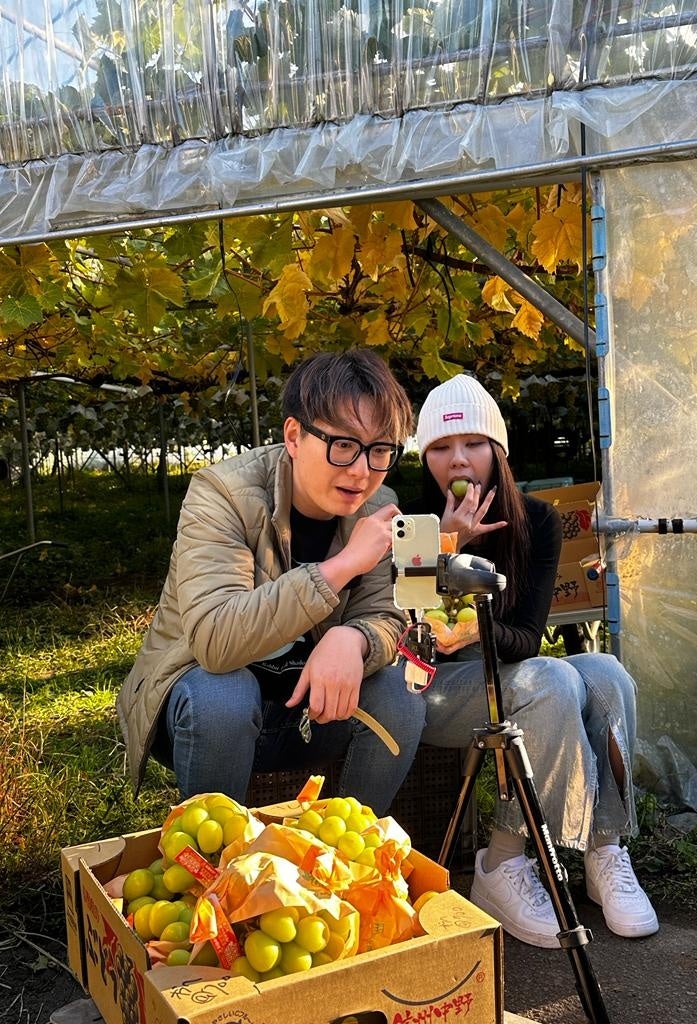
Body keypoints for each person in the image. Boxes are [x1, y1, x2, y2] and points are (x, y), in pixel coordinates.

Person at [404, 373, 658, 947]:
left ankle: (605, 848)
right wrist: (446, 545)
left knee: (607, 675)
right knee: (551, 680)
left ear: (498, 450)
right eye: (441, 447)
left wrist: (474, 626)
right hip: (431, 687)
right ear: (426, 458)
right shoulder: (409, 520)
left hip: (505, 669)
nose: (458, 459)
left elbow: (525, 638)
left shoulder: (536, 522)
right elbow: (407, 636)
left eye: (473, 443)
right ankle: (502, 862)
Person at [117, 349, 426, 816]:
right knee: (224, 694)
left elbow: (385, 614)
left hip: (309, 708)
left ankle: (352, 847)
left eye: (380, 450)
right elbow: (216, 640)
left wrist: (354, 638)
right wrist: (341, 566)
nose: (362, 471)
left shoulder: (378, 504)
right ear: (294, 436)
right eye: (344, 444)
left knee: (401, 693)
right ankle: (214, 855)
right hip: (202, 709)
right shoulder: (223, 493)